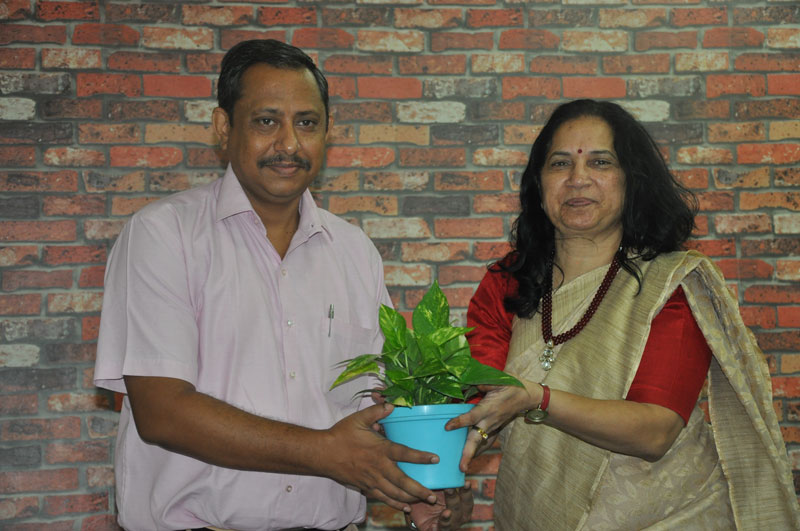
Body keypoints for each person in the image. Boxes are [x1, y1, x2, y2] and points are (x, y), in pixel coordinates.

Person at [94, 39, 471, 531]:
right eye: (267, 121)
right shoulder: (164, 235)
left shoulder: (354, 251)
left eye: (307, 123)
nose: (289, 144)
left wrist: (420, 485)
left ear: (328, 132)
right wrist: (325, 452)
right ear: (224, 127)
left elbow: (374, 409)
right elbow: (162, 411)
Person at [446, 99, 800, 529]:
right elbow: (479, 401)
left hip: (672, 519)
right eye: (560, 164)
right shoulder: (508, 282)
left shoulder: (669, 283)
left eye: (600, 162)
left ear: (632, 180)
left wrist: (537, 398)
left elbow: (656, 431)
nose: (578, 178)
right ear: (538, 185)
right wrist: (437, 479)